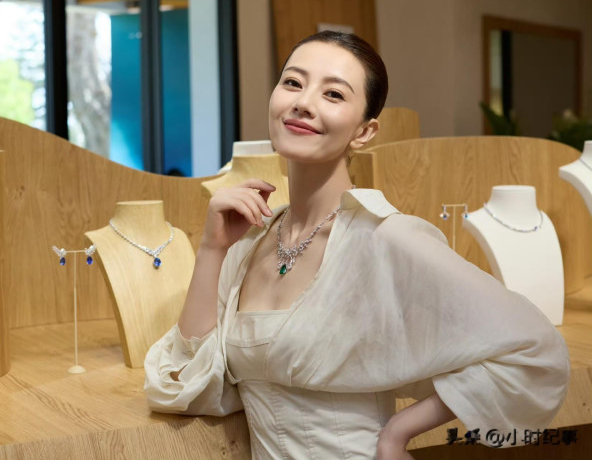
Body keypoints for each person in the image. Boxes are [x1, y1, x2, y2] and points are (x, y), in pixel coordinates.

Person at [144, 31, 570, 459]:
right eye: (292, 82)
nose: (303, 102)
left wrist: (399, 432)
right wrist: (212, 249)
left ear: (365, 132)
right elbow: (186, 383)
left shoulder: (385, 236)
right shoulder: (251, 240)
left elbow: (535, 351)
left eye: (332, 93)